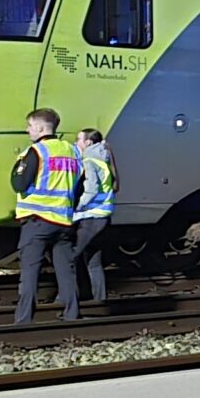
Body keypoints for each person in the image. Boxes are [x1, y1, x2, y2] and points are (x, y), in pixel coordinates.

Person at [9, 107, 81, 323]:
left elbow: (18, 183)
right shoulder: (72, 151)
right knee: (66, 271)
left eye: (30, 126)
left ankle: (24, 320)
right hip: (64, 220)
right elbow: (79, 185)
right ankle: (72, 314)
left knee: (30, 271)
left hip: (37, 221)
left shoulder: (36, 151)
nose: (27, 130)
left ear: (40, 128)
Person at [72, 125, 117, 303]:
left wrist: (78, 207)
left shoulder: (89, 161)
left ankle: (66, 299)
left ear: (88, 142)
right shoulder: (103, 159)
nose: (76, 143)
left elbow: (91, 190)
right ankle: (99, 299)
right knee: (94, 261)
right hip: (104, 216)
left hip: (90, 217)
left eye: (79, 139)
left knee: (71, 257)